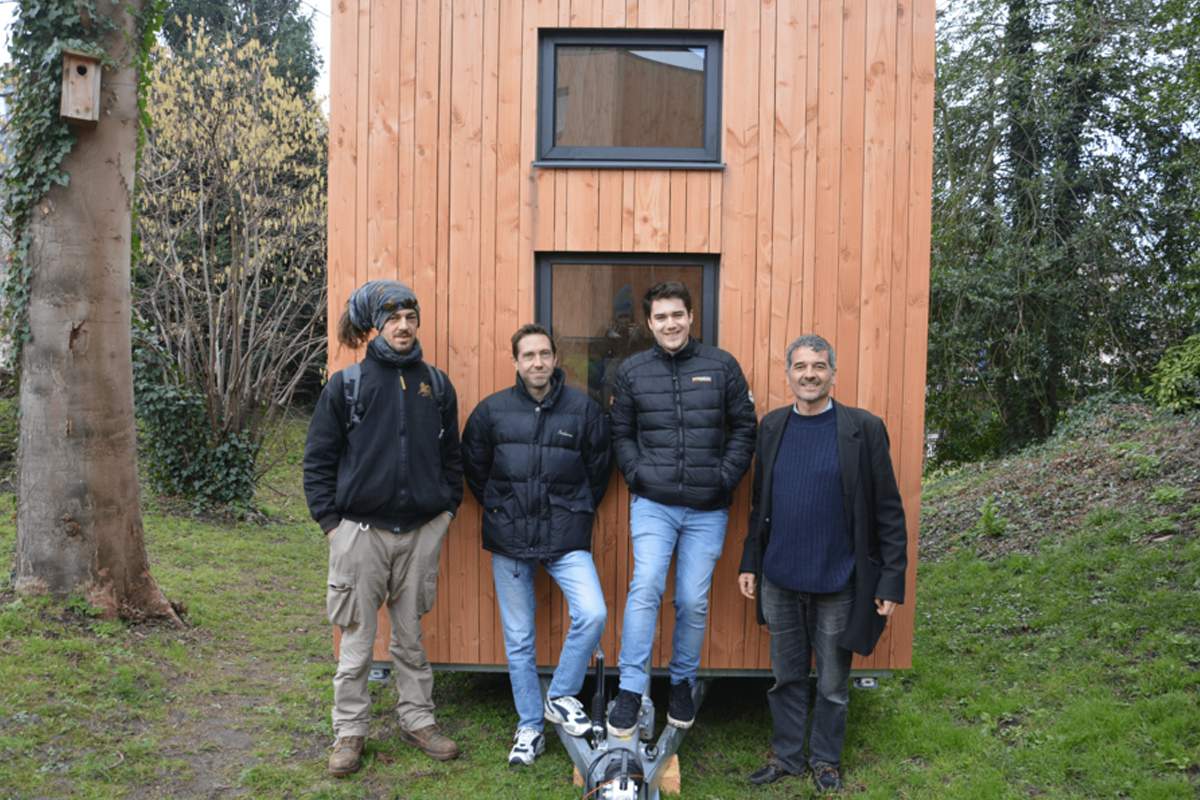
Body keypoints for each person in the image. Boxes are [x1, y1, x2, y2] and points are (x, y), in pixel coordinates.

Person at [303, 280, 464, 776]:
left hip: (419, 533)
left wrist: (443, 514)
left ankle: (418, 719)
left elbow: (451, 461)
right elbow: (318, 462)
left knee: (411, 639)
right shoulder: (346, 386)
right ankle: (349, 733)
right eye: (393, 318)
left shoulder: (435, 386)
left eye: (411, 317)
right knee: (355, 642)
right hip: (359, 535)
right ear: (377, 325)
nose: (403, 325)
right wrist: (334, 526)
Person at [737, 334, 907, 793]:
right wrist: (750, 561)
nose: (809, 374)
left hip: (839, 579)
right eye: (800, 366)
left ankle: (825, 760)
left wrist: (891, 581)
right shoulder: (771, 427)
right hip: (781, 578)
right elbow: (759, 505)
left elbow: (888, 509)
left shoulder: (863, 429)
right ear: (788, 373)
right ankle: (788, 756)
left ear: (834, 372)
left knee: (832, 682)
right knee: (786, 676)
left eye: (818, 366)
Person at [606, 281, 757, 737]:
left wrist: (724, 476)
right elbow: (621, 434)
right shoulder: (632, 372)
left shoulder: (721, 366)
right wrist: (638, 474)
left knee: (692, 600)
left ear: (691, 317)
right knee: (646, 587)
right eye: (660, 317)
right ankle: (631, 688)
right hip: (654, 504)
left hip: (707, 509)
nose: (670, 324)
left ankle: (681, 683)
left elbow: (744, 427)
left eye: (677, 315)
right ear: (649, 323)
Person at [462, 324, 612, 766]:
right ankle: (529, 728)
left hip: (565, 537)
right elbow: (475, 467)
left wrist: (573, 510)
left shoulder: (583, 411)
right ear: (515, 362)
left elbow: (599, 469)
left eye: (544, 354)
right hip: (509, 538)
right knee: (520, 639)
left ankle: (561, 694)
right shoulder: (491, 412)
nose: (538, 363)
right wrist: (500, 507)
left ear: (555, 358)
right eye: (528, 356)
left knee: (593, 611)